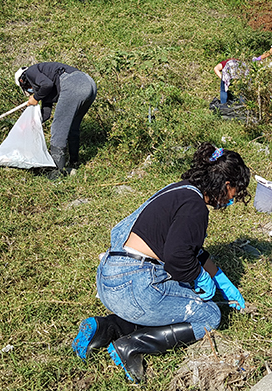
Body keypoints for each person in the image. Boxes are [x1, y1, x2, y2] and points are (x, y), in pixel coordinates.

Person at [72, 143, 250, 383]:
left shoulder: (178, 190)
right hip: (135, 286)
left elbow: (189, 248)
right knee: (209, 314)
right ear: (226, 185)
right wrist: (202, 280)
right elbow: (178, 259)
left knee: (177, 297)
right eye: (234, 194)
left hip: (109, 278)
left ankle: (106, 328)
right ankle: (131, 347)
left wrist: (221, 279)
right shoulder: (195, 208)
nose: (231, 200)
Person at [14, 62, 97, 175]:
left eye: (28, 88)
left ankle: (56, 171)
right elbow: (46, 113)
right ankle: (74, 163)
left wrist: (36, 97)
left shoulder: (30, 72)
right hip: (89, 84)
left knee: (58, 128)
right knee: (73, 126)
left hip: (75, 84)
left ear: (22, 80)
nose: (30, 90)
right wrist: (30, 123)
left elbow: (46, 84)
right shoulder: (46, 82)